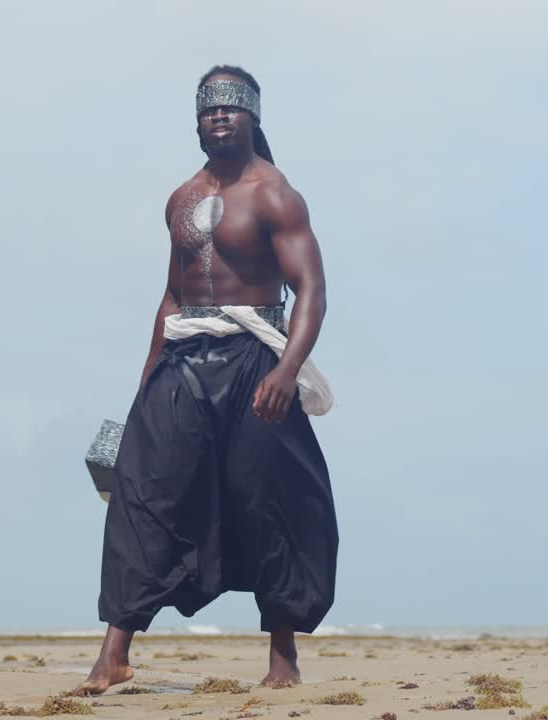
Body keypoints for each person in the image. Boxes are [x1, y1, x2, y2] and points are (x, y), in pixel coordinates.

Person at [72, 65, 339, 696]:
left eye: (230, 108)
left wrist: (286, 369)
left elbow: (311, 291)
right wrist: (145, 389)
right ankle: (114, 652)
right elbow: (170, 294)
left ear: (252, 116)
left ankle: (283, 656)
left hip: (254, 359)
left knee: (270, 500)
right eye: (207, 110)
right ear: (197, 123)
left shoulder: (276, 194)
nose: (218, 117)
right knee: (143, 498)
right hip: (184, 361)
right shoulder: (181, 199)